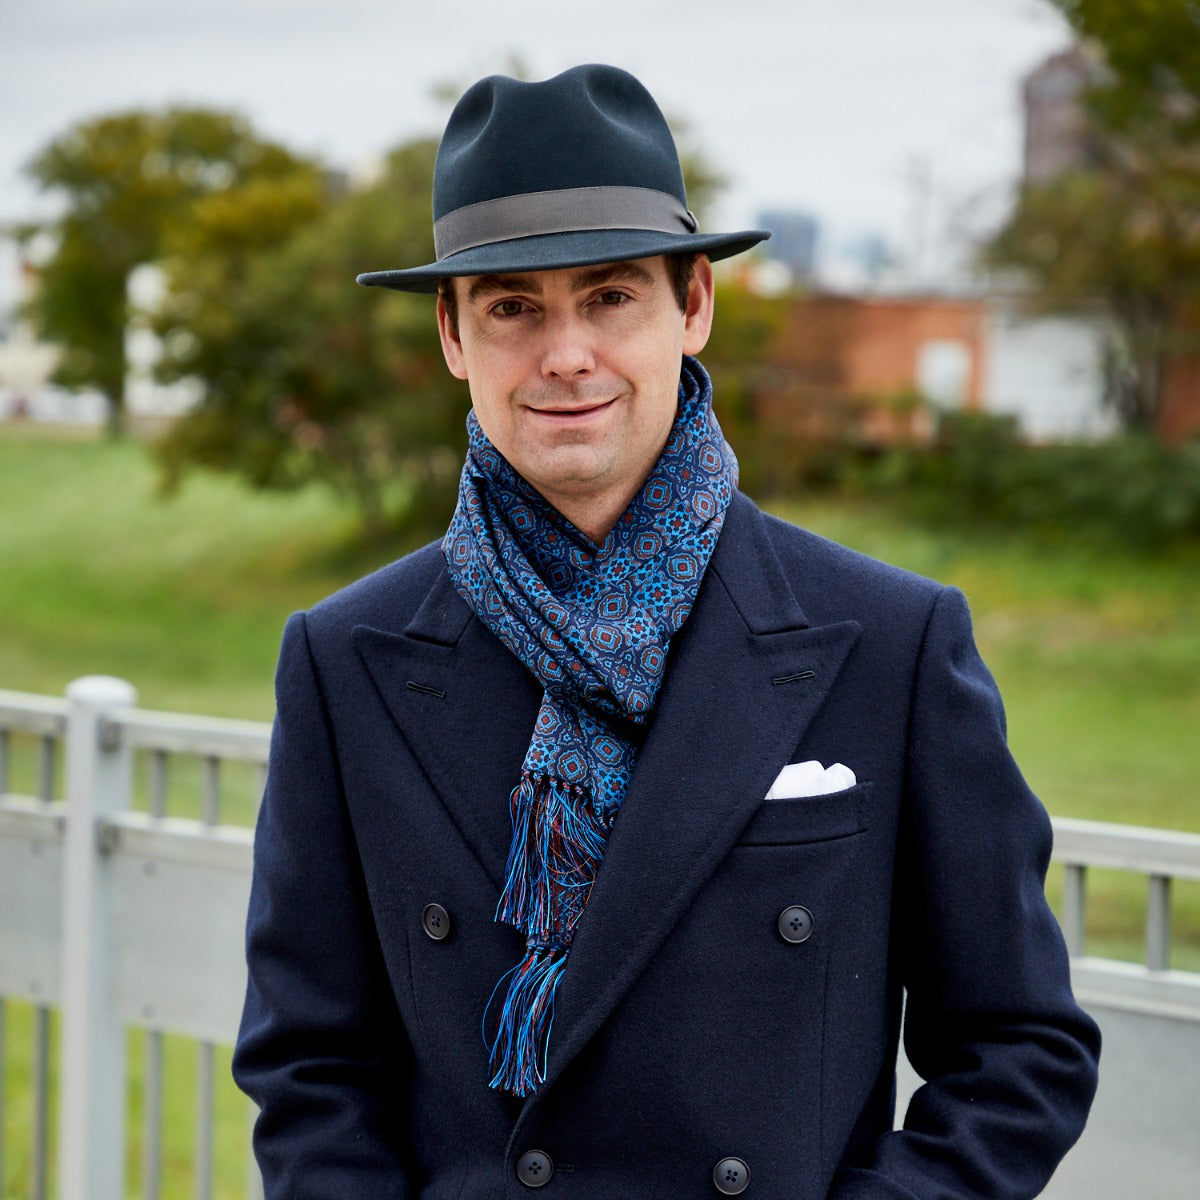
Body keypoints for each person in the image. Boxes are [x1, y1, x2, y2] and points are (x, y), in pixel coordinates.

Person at [233, 64, 1099, 1199]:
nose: (565, 355)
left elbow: (1020, 1051)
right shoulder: (349, 659)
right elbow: (311, 1068)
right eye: (512, 308)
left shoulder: (888, 642)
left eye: (609, 297)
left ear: (692, 306)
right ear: (452, 336)